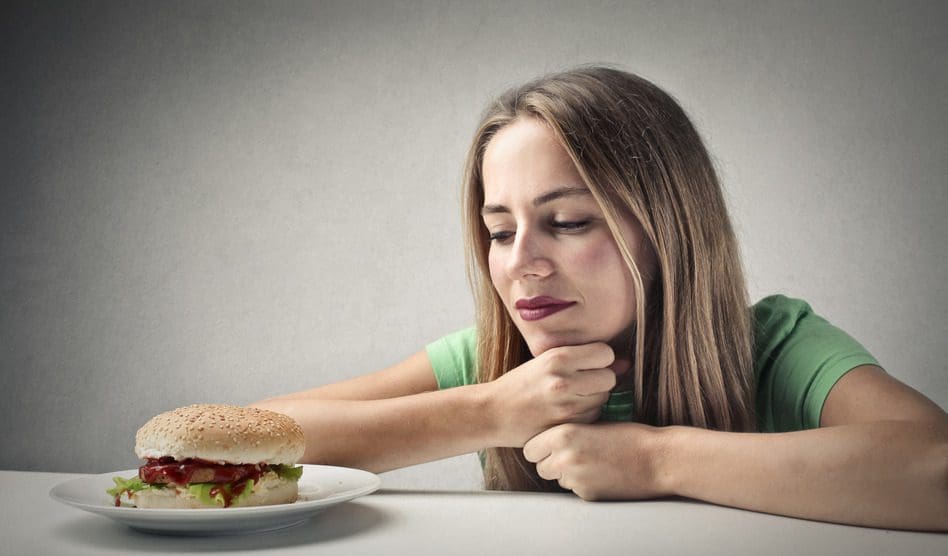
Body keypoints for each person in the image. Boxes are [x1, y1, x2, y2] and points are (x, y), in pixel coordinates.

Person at [250, 66, 948, 531]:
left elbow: (936, 465)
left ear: (667, 229)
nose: (520, 263)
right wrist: (487, 409)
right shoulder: (498, 365)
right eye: (499, 231)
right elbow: (236, 442)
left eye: (568, 222)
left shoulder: (776, 345)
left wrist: (654, 459)